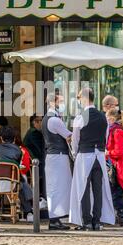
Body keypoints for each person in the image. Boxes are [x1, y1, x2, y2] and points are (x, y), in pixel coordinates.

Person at [70, 87, 115, 231]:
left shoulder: (80, 117)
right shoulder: (103, 116)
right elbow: (106, 137)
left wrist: (75, 153)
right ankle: (97, 221)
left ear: (83, 98)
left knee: (83, 189)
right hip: (100, 155)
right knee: (98, 189)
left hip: (84, 154)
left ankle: (87, 221)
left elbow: (75, 140)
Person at [102, 95, 123, 226]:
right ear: (107, 106)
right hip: (108, 159)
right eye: (115, 105)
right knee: (112, 188)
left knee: (115, 188)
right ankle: (117, 214)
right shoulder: (104, 121)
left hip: (112, 160)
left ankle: (120, 214)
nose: (117, 107)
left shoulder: (117, 127)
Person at [0, 126, 33, 220]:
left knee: (21, 181)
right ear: (14, 138)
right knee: (22, 182)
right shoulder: (18, 150)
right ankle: (28, 211)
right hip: (12, 185)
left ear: (1, 138)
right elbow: (17, 167)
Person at [41, 93, 72, 230]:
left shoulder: (47, 118)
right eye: (61, 101)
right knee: (58, 187)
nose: (63, 104)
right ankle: (54, 220)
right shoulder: (54, 120)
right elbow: (69, 136)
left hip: (54, 156)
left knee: (56, 187)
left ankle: (55, 218)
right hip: (58, 156)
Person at [23, 114, 46, 198]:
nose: (43, 123)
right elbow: (41, 149)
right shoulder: (34, 133)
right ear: (35, 122)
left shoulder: (33, 132)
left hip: (35, 161)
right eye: (41, 121)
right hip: (36, 162)